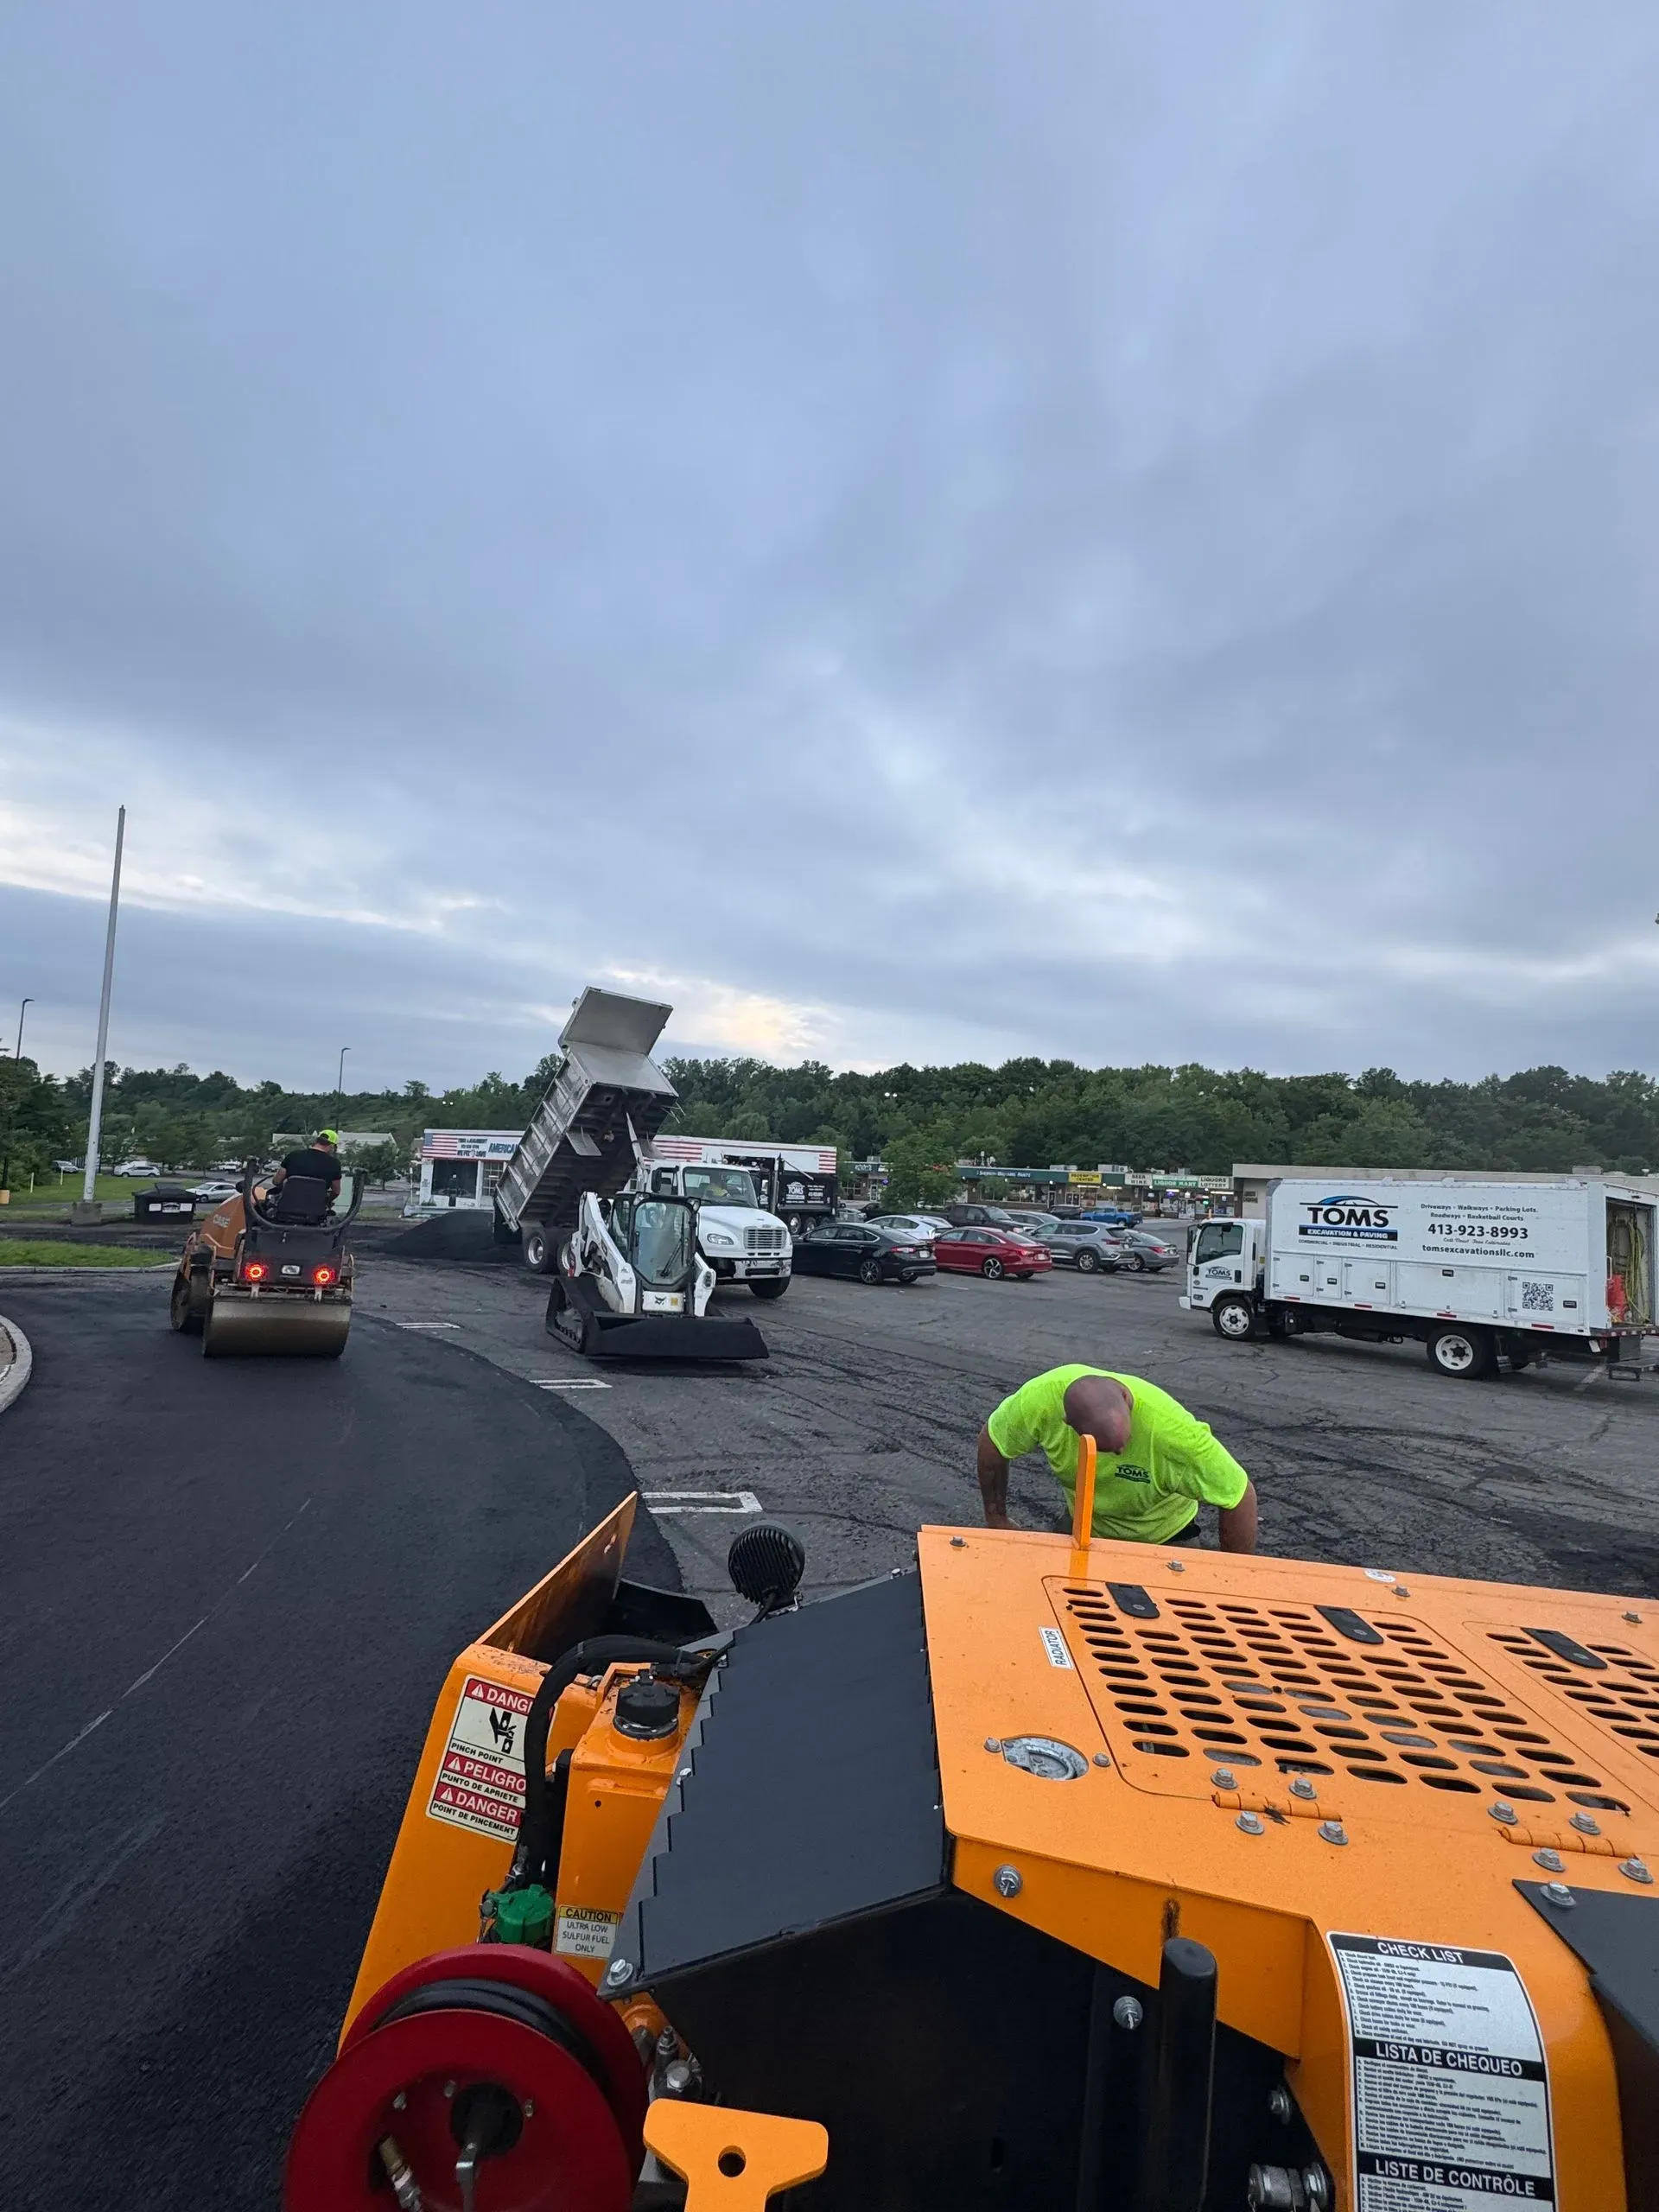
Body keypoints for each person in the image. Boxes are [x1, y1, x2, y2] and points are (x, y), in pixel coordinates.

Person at [976, 1364, 1258, 1551]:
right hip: (1083, 1528)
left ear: (1126, 1398)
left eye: (1122, 1445)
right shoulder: (1038, 1402)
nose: (1120, 1454)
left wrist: (1233, 1576)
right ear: (1069, 1424)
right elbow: (993, 1442)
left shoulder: (1175, 1434)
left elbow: (1238, 1495)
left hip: (1164, 1540)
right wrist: (996, 1518)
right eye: (1107, 1450)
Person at [264, 1130, 343, 1218]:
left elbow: (277, 1181)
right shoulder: (334, 1164)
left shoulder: (294, 1155)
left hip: (286, 1207)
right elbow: (336, 1191)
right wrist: (327, 1201)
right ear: (332, 1146)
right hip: (315, 1212)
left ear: (316, 1141)